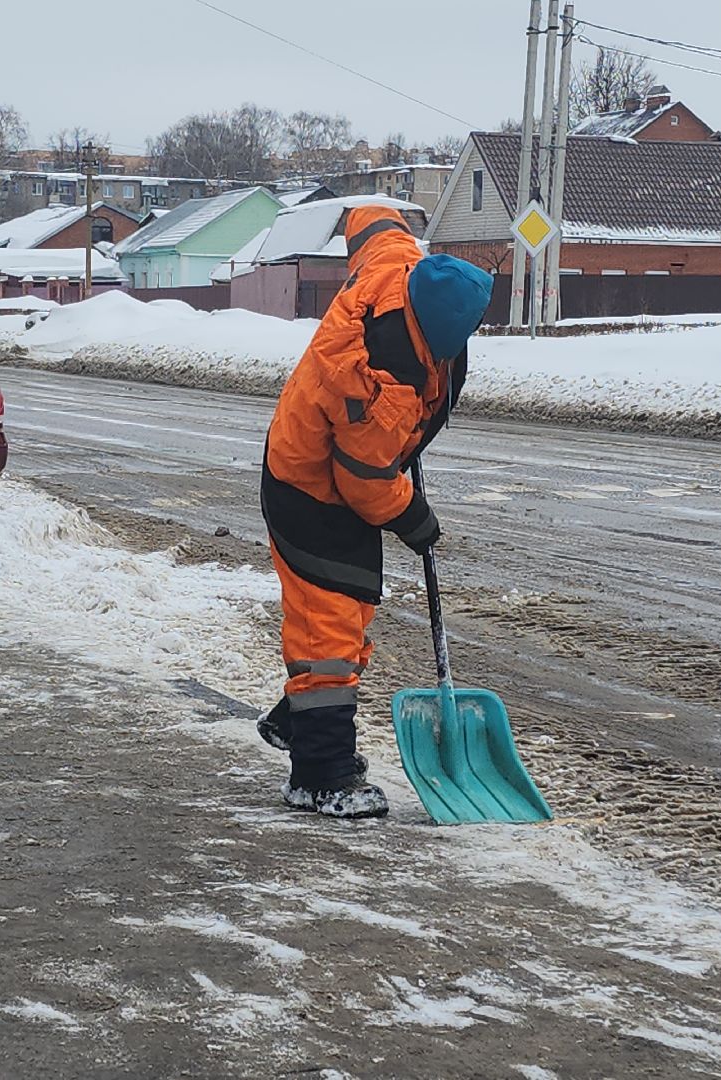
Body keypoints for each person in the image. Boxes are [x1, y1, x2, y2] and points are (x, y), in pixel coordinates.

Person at [258, 205, 494, 819]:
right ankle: (321, 776)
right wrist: (415, 518)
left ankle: (304, 724)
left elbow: (377, 228)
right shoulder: (379, 378)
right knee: (330, 628)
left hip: (338, 466)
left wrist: (364, 210)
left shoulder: (403, 268)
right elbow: (361, 481)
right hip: (309, 485)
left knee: (356, 601)